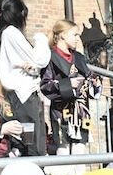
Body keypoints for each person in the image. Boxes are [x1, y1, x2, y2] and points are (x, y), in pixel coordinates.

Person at [0, 0, 50, 156]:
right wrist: (41, 40)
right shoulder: (11, 32)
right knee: (32, 140)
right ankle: (35, 172)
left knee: (29, 138)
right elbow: (38, 60)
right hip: (23, 94)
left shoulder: (4, 34)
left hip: (19, 94)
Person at [40, 19, 100, 153]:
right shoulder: (50, 57)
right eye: (75, 35)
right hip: (61, 112)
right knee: (63, 153)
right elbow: (45, 85)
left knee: (80, 153)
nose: (78, 39)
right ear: (63, 35)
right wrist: (68, 84)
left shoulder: (79, 57)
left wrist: (94, 82)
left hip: (81, 112)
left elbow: (89, 76)